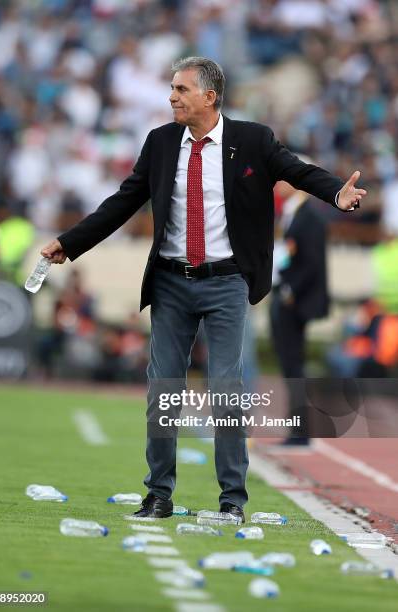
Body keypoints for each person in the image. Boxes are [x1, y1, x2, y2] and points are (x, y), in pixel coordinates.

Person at [41, 57, 366, 521]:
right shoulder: (159, 142)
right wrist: (69, 244)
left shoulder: (252, 140)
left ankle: (232, 499)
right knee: (163, 391)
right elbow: (122, 202)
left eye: (181, 89)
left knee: (227, 389)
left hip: (227, 282)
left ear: (210, 96)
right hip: (172, 282)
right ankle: (158, 493)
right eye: (171, 88)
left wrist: (337, 193)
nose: (171, 96)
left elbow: (297, 171)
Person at [270, 176, 329, 447]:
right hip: (287, 296)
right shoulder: (292, 214)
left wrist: (290, 290)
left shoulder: (309, 217)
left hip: (295, 302)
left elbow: (312, 261)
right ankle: (297, 429)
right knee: (289, 364)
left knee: (293, 364)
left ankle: (300, 430)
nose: (278, 183)